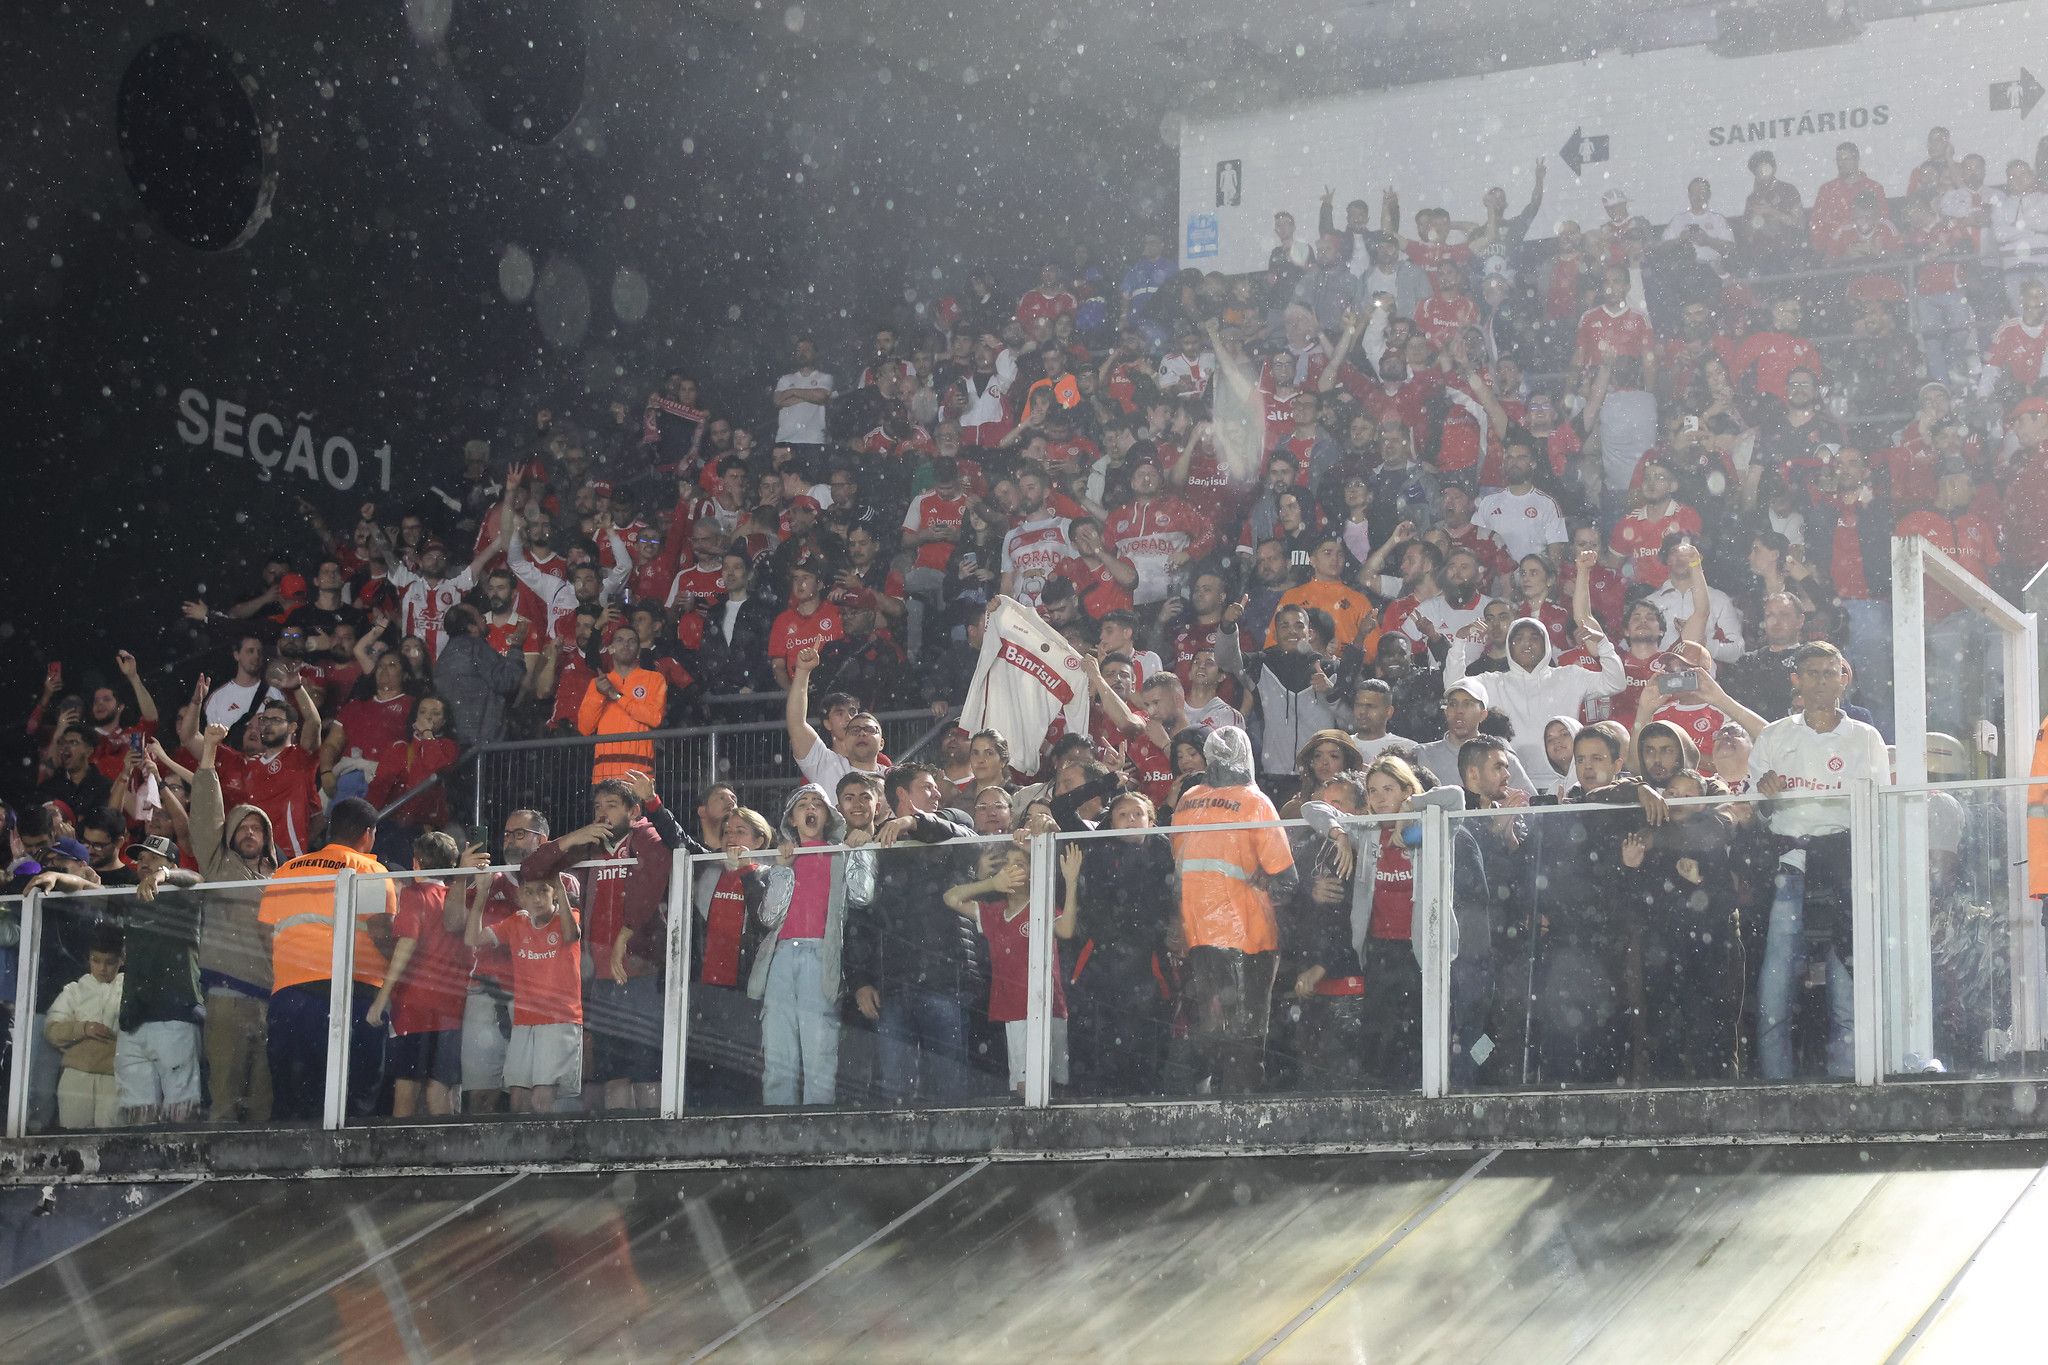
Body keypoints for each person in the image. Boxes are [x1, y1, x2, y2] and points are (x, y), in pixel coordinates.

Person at [1751, 643, 1890, 1079]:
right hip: (1787, 869)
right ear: (1797, 680)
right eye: (1812, 673)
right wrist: (1765, 794)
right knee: (1773, 995)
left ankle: (1845, 1090)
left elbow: (1877, 810)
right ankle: (1777, 1091)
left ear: (1843, 678)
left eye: (1830, 673)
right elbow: (1750, 806)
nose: (1821, 681)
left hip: (1845, 872)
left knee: (1846, 993)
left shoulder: (1865, 738)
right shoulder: (1773, 735)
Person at [522, 772, 679, 1114]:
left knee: (645, 1066)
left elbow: (657, 873)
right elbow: (531, 870)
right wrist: (571, 839)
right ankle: (618, 1149)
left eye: (612, 805)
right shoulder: (589, 843)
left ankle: (649, 1145)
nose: (602, 813)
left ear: (633, 811)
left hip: (641, 973)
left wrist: (627, 931)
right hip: (601, 980)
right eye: (598, 806)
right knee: (612, 1071)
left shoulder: (646, 836)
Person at [842, 762, 982, 1103]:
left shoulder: (954, 821)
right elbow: (860, 917)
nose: (937, 793)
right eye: (928, 787)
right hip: (892, 984)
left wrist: (914, 822)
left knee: (948, 1085)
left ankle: (954, 1151)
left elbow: (971, 839)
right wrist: (860, 981)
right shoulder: (877, 842)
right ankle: (900, 1155)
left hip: (946, 979)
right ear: (902, 794)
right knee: (894, 1089)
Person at [1171, 727, 1298, 1093]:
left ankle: (1206, 1108)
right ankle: (1240, 1115)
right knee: (1247, 1032)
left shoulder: (1188, 800)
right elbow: (1287, 881)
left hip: (1199, 935)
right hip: (1248, 936)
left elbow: (1178, 867)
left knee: (1213, 1029)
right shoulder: (1253, 801)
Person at [256, 797, 396, 1122]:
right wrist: (404, 964)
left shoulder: (288, 869)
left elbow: (265, 931)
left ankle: (290, 1168)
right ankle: (346, 1169)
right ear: (368, 833)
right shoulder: (368, 869)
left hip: (292, 995)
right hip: (355, 995)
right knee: (353, 1100)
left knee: (294, 1099)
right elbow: (380, 930)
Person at [751, 783, 871, 1107]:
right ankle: (778, 1130)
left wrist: (862, 849)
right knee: (777, 1051)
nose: (810, 809)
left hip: (820, 956)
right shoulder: (781, 858)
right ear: (792, 818)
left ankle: (816, 1129)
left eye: (817, 803)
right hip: (781, 958)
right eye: (803, 804)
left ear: (827, 815)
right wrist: (781, 869)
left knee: (820, 1051)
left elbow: (863, 894)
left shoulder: (838, 852)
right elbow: (768, 916)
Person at [189, 722, 279, 1123]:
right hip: (227, 998)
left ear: (267, 837)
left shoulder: (280, 879)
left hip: (271, 1001)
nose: (248, 832)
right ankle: (214, 1182)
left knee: (263, 1101)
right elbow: (207, 814)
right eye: (241, 827)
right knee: (224, 1097)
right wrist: (209, 750)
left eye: (256, 827)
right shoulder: (219, 865)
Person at [944, 841, 1081, 1095]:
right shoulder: (994, 913)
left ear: (1033, 872)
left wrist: (1071, 882)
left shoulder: (1041, 907)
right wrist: (990, 884)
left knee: (1050, 1090)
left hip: (1046, 1008)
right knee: (1024, 1090)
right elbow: (950, 897)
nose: (1012, 870)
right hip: (1013, 1012)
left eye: (1019, 864)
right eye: (1006, 865)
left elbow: (1066, 929)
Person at [364, 831, 471, 1118]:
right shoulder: (458, 900)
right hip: (452, 1005)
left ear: (415, 863)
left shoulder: (414, 895)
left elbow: (405, 948)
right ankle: (446, 1155)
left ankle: (403, 1156)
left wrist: (380, 999)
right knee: (440, 1089)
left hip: (414, 1005)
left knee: (406, 1088)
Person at [465, 869, 581, 1113]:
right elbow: (473, 938)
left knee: (543, 1098)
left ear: (555, 894)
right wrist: (483, 893)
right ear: (521, 897)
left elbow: (573, 935)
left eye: (543, 891)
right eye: (529, 893)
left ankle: (545, 1149)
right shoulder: (516, 922)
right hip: (524, 1020)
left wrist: (559, 886)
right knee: (517, 1098)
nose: (537, 899)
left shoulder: (568, 919)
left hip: (559, 1020)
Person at [44, 925, 123, 1130]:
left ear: (122, 960)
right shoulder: (75, 990)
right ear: (88, 958)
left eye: (110, 962)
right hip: (76, 1077)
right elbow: (52, 1030)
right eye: (96, 960)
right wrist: (84, 1028)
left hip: (115, 1078)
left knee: (112, 1143)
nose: (102, 969)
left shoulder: (129, 989)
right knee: (73, 1143)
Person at [576, 625, 667, 786]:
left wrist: (616, 696)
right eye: (620, 640)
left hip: (640, 776)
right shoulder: (598, 683)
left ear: (639, 651)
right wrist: (600, 694)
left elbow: (654, 718)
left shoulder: (655, 679)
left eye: (631, 641)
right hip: (603, 774)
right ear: (610, 649)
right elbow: (585, 728)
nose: (625, 645)